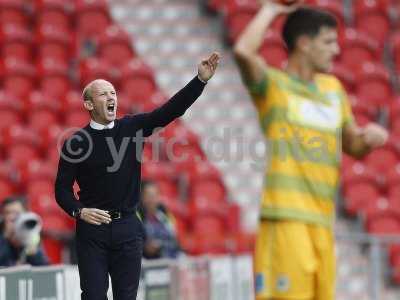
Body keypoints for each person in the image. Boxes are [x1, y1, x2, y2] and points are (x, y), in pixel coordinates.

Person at [233, 2, 388, 300]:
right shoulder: (275, 87)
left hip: (322, 222)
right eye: (328, 42)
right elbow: (243, 52)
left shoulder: (333, 90)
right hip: (286, 220)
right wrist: (270, 9)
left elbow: (352, 145)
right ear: (304, 43)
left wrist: (367, 139)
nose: (337, 50)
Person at [54, 52, 219, 300]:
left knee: (127, 296)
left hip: (128, 228)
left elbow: (170, 111)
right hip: (92, 231)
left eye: (113, 93)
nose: (111, 97)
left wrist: (199, 81)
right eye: (103, 94)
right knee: (92, 295)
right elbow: (61, 190)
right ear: (88, 104)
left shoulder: (132, 128)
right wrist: (79, 211)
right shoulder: (76, 142)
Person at [0, 196, 49, 267]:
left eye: (16, 213)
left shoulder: (30, 232)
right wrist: (6, 238)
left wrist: (30, 248)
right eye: (7, 213)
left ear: (25, 213)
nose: (11, 217)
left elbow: (44, 267)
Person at [139, 180, 181, 259]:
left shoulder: (165, 215)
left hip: (170, 259)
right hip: (149, 264)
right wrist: (145, 248)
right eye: (149, 196)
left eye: (155, 196)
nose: (152, 200)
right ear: (141, 198)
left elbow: (175, 238)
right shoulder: (138, 218)